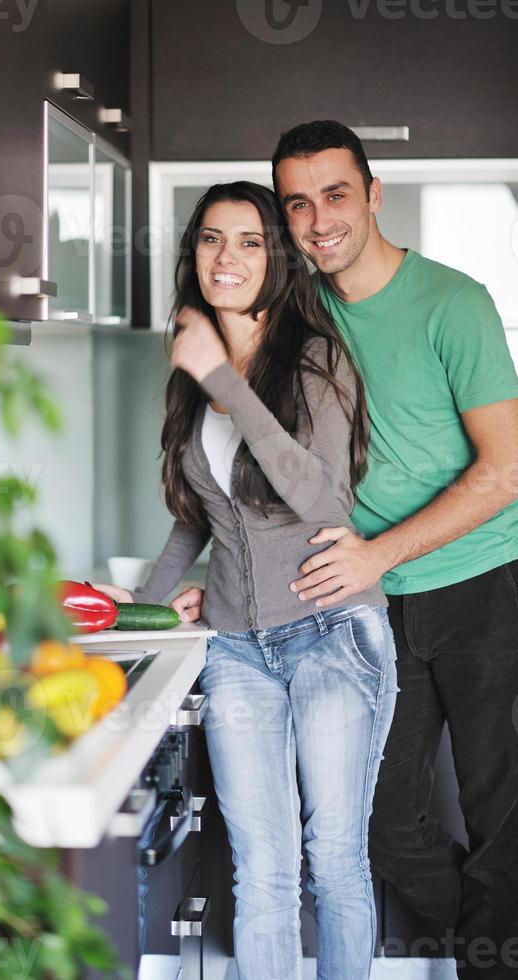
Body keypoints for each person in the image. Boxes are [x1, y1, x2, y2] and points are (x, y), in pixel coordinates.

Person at [175, 121, 518, 978]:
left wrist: (378, 553)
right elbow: (248, 472)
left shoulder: (454, 303)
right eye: (297, 203)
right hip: (350, 601)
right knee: (381, 825)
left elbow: (507, 470)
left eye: (336, 194)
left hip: (476, 584)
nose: (319, 218)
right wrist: (209, 577)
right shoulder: (295, 313)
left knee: (498, 810)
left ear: (372, 194)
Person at [96, 180, 398, 980]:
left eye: (249, 240)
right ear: (191, 253)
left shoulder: (313, 356)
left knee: (334, 860)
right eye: (209, 239)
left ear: (278, 259)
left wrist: (222, 381)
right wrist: (146, 609)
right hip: (235, 646)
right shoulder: (193, 372)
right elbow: (197, 517)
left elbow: (320, 496)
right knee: (261, 869)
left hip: (332, 632)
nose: (225, 257)